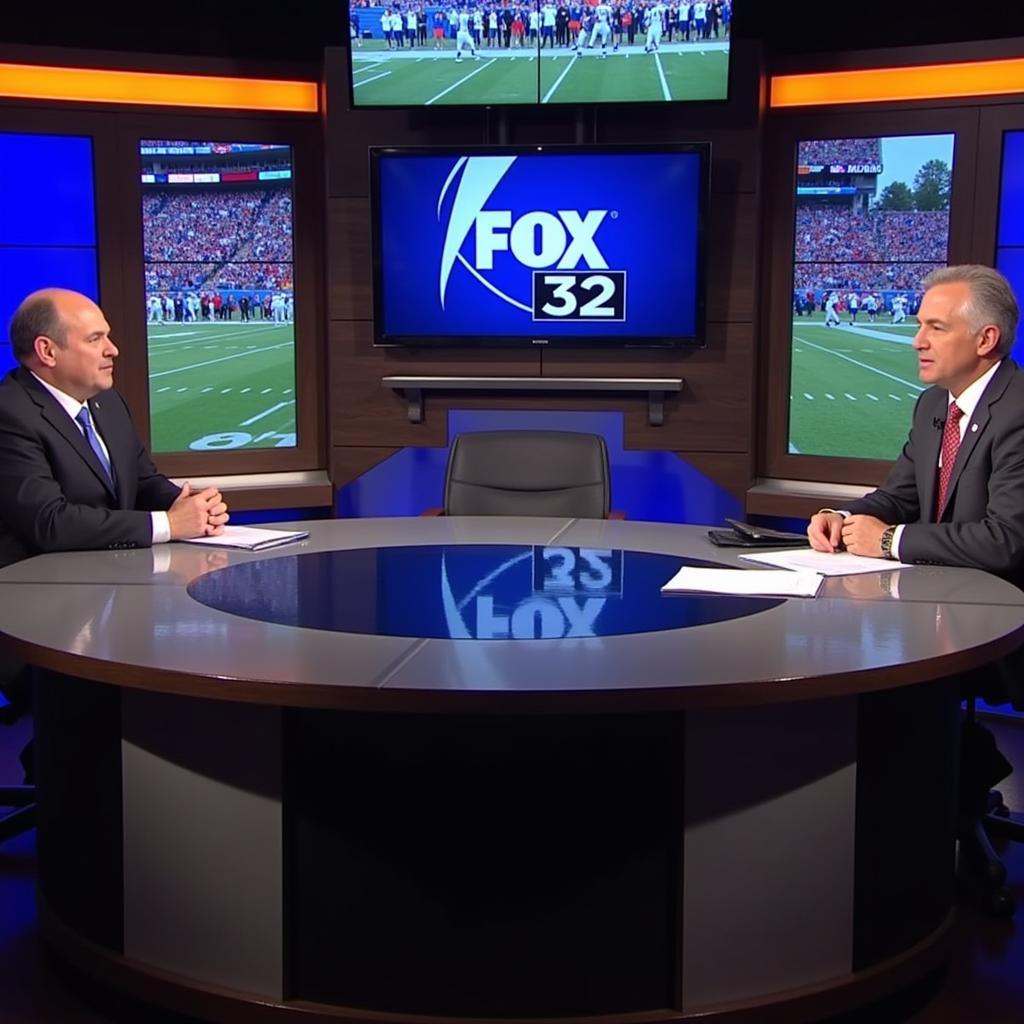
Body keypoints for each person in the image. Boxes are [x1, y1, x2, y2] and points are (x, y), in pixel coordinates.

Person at [807, 265, 1024, 576]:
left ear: (985, 340)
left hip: (1003, 608)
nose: (917, 341)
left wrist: (887, 539)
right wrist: (842, 517)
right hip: (937, 599)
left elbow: (1005, 540)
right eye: (920, 325)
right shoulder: (933, 403)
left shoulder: (1017, 409)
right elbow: (900, 497)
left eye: (936, 328)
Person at [0, 288, 230, 570]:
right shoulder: (9, 414)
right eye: (95, 339)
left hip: (113, 578)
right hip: (39, 592)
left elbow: (142, 481)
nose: (113, 349)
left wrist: (190, 505)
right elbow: (50, 522)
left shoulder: (108, 402)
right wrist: (168, 523)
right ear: (47, 351)